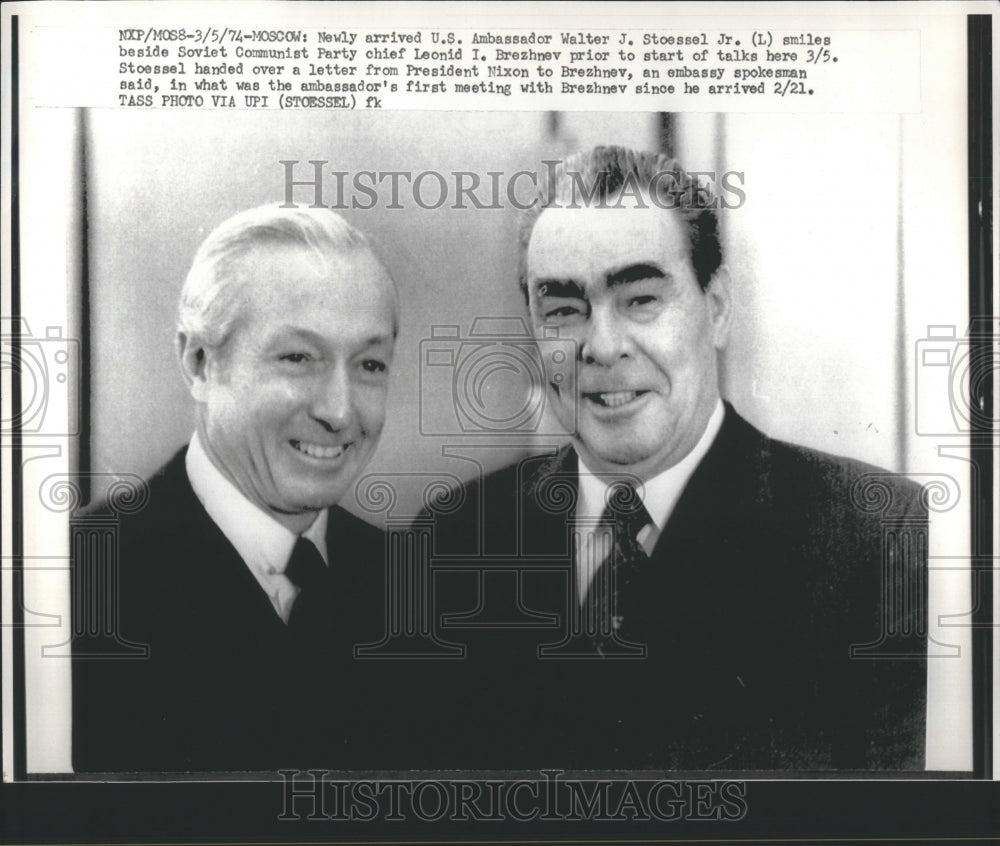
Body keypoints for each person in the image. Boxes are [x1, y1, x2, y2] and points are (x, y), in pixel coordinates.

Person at [424, 146, 928, 771]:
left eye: (640, 299)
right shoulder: (453, 540)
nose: (601, 347)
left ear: (716, 309)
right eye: (562, 310)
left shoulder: (874, 540)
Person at [72, 206, 403, 772]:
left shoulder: (416, 587)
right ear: (199, 364)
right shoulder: (70, 585)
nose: (340, 410)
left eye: (370, 364)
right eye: (298, 357)